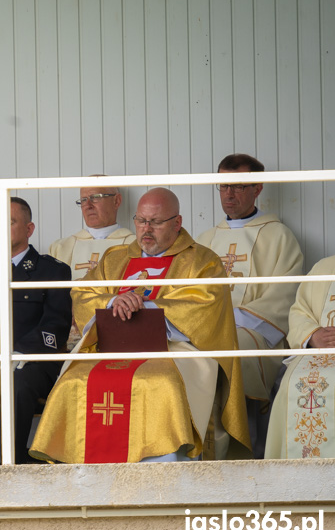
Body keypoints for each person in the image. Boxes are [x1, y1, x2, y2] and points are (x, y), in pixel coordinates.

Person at [29, 188, 252, 463]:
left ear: (177, 223)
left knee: (163, 383)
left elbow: (205, 307)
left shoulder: (201, 261)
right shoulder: (115, 258)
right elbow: (82, 293)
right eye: (140, 221)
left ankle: (165, 465)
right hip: (111, 346)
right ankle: (78, 464)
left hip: (175, 348)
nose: (146, 229)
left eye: (156, 222)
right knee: (73, 381)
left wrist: (145, 307)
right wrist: (113, 302)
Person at [196, 154, 303, 457]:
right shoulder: (205, 239)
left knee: (231, 352)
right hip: (206, 329)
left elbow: (286, 295)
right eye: (222, 186)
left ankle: (240, 452)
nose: (228, 195)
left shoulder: (278, 236)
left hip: (253, 331)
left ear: (258, 188)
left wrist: (234, 319)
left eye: (238, 187)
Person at [0, 197, 71, 463]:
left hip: (30, 365)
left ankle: (13, 463)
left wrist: (20, 353)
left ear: (29, 229)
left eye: (9, 222)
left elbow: (56, 326)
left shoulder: (52, 271)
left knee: (16, 384)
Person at [265, 255, 335, 458]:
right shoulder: (324, 267)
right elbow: (299, 311)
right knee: (292, 383)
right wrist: (313, 334)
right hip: (319, 353)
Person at [49, 183, 135, 280]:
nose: (88, 206)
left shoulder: (135, 245)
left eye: (95, 197)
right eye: (83, 200)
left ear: (116, 201)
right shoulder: (60, 248)